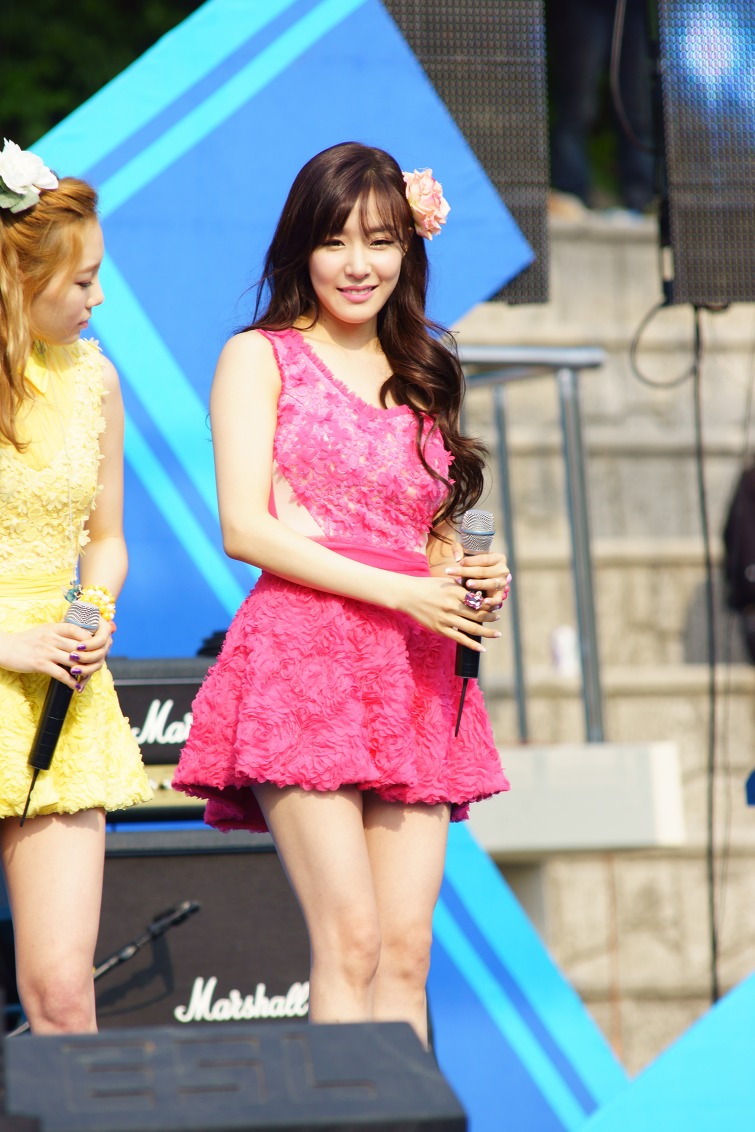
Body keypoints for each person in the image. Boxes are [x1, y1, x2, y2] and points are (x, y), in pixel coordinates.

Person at [173, 142, 510, 1046]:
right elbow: (245, 529)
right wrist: (402, 592)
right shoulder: (260, 356)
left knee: (405, 954)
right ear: (302, 248)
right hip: (304, 662)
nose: (358, 265)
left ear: (408, 249)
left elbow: (428, 530)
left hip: (418, 673)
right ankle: (347, 1106)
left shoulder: (425, 364)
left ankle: (408, 1109)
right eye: (335, 241)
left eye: (381, 241)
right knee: (350, 940)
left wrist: (467, 575)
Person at [0, 139, 151, 1033]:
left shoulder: (94, 378)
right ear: (18, 277)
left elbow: (107, 538)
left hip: (55, 695)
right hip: (14, 652)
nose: (99, 299)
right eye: (84, 280)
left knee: (62, 992)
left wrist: (94, 609)